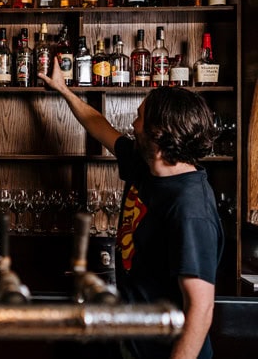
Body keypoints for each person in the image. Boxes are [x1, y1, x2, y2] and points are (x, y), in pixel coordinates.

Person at [38, 65, 224, 359]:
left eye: (139, 117)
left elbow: (200, 310)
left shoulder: (190, 209)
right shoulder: (148, 165)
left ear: (159, 133)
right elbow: (98, 125)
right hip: (134, 342)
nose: (133, 125)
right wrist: (63, 90)